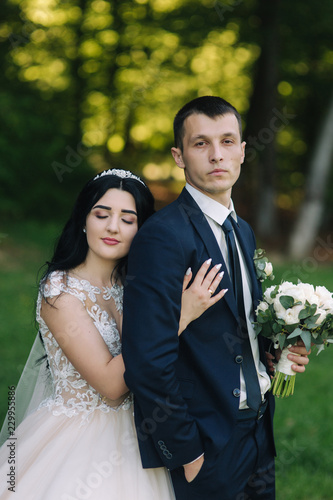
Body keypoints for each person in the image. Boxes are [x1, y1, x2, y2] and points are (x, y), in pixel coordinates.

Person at [122, 96, 310, 500]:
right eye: (200, 143)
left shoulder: (241, 230)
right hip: (205, 442)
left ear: (243, 151)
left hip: (258, 432)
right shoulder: (162, 237)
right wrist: (184, 450)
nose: (216, 155)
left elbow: (235, 324)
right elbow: (145, 361)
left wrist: (275, 353)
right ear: (179, 155)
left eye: (227, 141)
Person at [0, 168, 227, 500]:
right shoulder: (60, 293)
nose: (112, 227)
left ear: (142, 229)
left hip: (143, 430)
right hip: (81, 438)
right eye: (101, 214)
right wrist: (179, 317)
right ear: (83, 219)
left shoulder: (135, 285)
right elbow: (110, 386)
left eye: (127, 219)